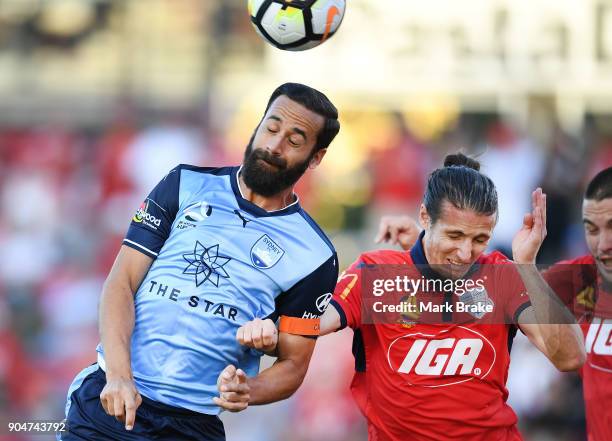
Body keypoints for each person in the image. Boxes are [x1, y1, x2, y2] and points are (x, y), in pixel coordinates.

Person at [59, 82, 340, 441]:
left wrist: (247, 391)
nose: (274, 145)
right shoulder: (184, 184)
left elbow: (294, 365)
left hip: (193, 425)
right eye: (271, 128)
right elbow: (121, 283)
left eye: (295, 140)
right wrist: (118, 375)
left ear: (315, 157)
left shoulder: (314, 255)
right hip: (112, 400)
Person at [238, 153, 585, 441]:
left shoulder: (502, 275)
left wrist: (527, 266)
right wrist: (269, 329)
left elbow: (570, 357)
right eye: (454, 235)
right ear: (424, 217)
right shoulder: (377, 273)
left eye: (480, 239)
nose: (466, 253)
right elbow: (313, 322)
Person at [374, 166, 612, 441]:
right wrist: (425, 244)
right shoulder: (574, 277)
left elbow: (569, 357)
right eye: (593, 229)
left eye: (479, 239)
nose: (603, 242)